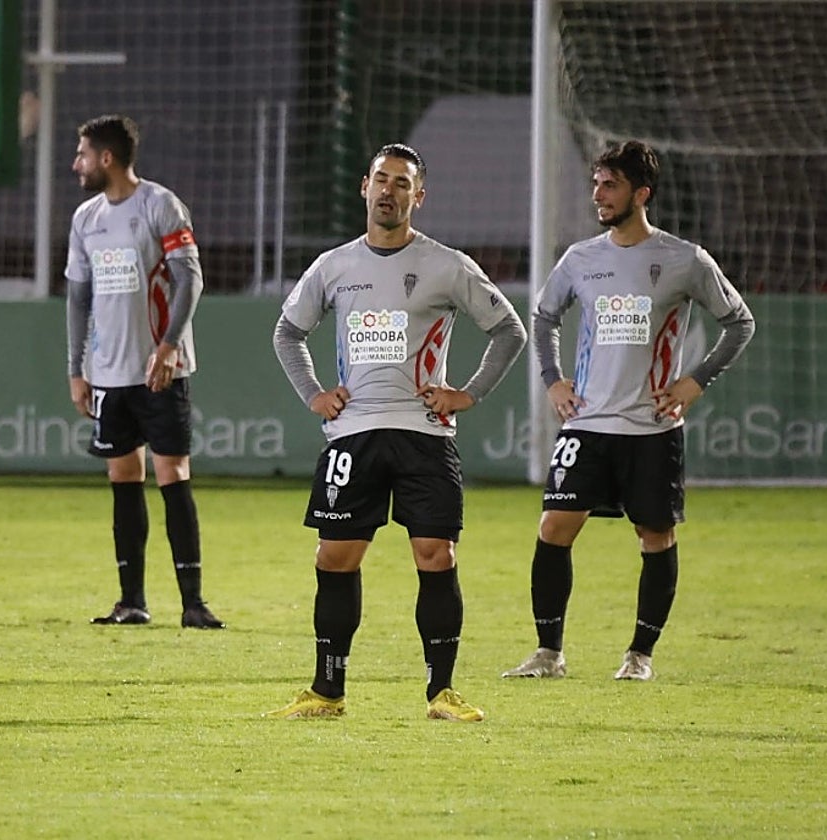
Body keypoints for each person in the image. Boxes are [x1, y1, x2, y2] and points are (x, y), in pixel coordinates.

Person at [266, 143, 526, 721]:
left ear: (419, 196)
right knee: (334, 558)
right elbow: (288, 333)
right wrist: (314, 393)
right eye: (381, 179)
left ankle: (442, 692)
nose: (389, 190)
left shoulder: (447, 265)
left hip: (423, 435)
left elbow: (509, 330)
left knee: (436, 554)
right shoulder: (333, 266)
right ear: (364, 187)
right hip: (352, 434)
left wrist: (468, 393)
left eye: (401, 183)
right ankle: (327, 691)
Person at [502, 140, 756, 682]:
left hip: (652, 427)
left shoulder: (685, 259)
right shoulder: (580, 258)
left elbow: (740, 323)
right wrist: (553, 380)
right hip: (588, 424)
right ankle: (549, 654)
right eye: (596, 183)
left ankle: (639, 655)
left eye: (610, 184)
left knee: (655, 536)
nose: (598, 194)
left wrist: (695, 380)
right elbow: (544, 318)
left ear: (641, 194)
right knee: (553, 527)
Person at [65, 114, 225, 629]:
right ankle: (131, 601)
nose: (77, 164)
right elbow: (78, 297)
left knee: (172, 474)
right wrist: (76, 367)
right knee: (122, 475)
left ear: (106, 158)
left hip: (161, 371)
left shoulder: (160, 205)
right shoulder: (86, 218)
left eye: (83, 154)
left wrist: (168, 345)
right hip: (108, 374)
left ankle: (193, 603)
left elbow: (189, 280)